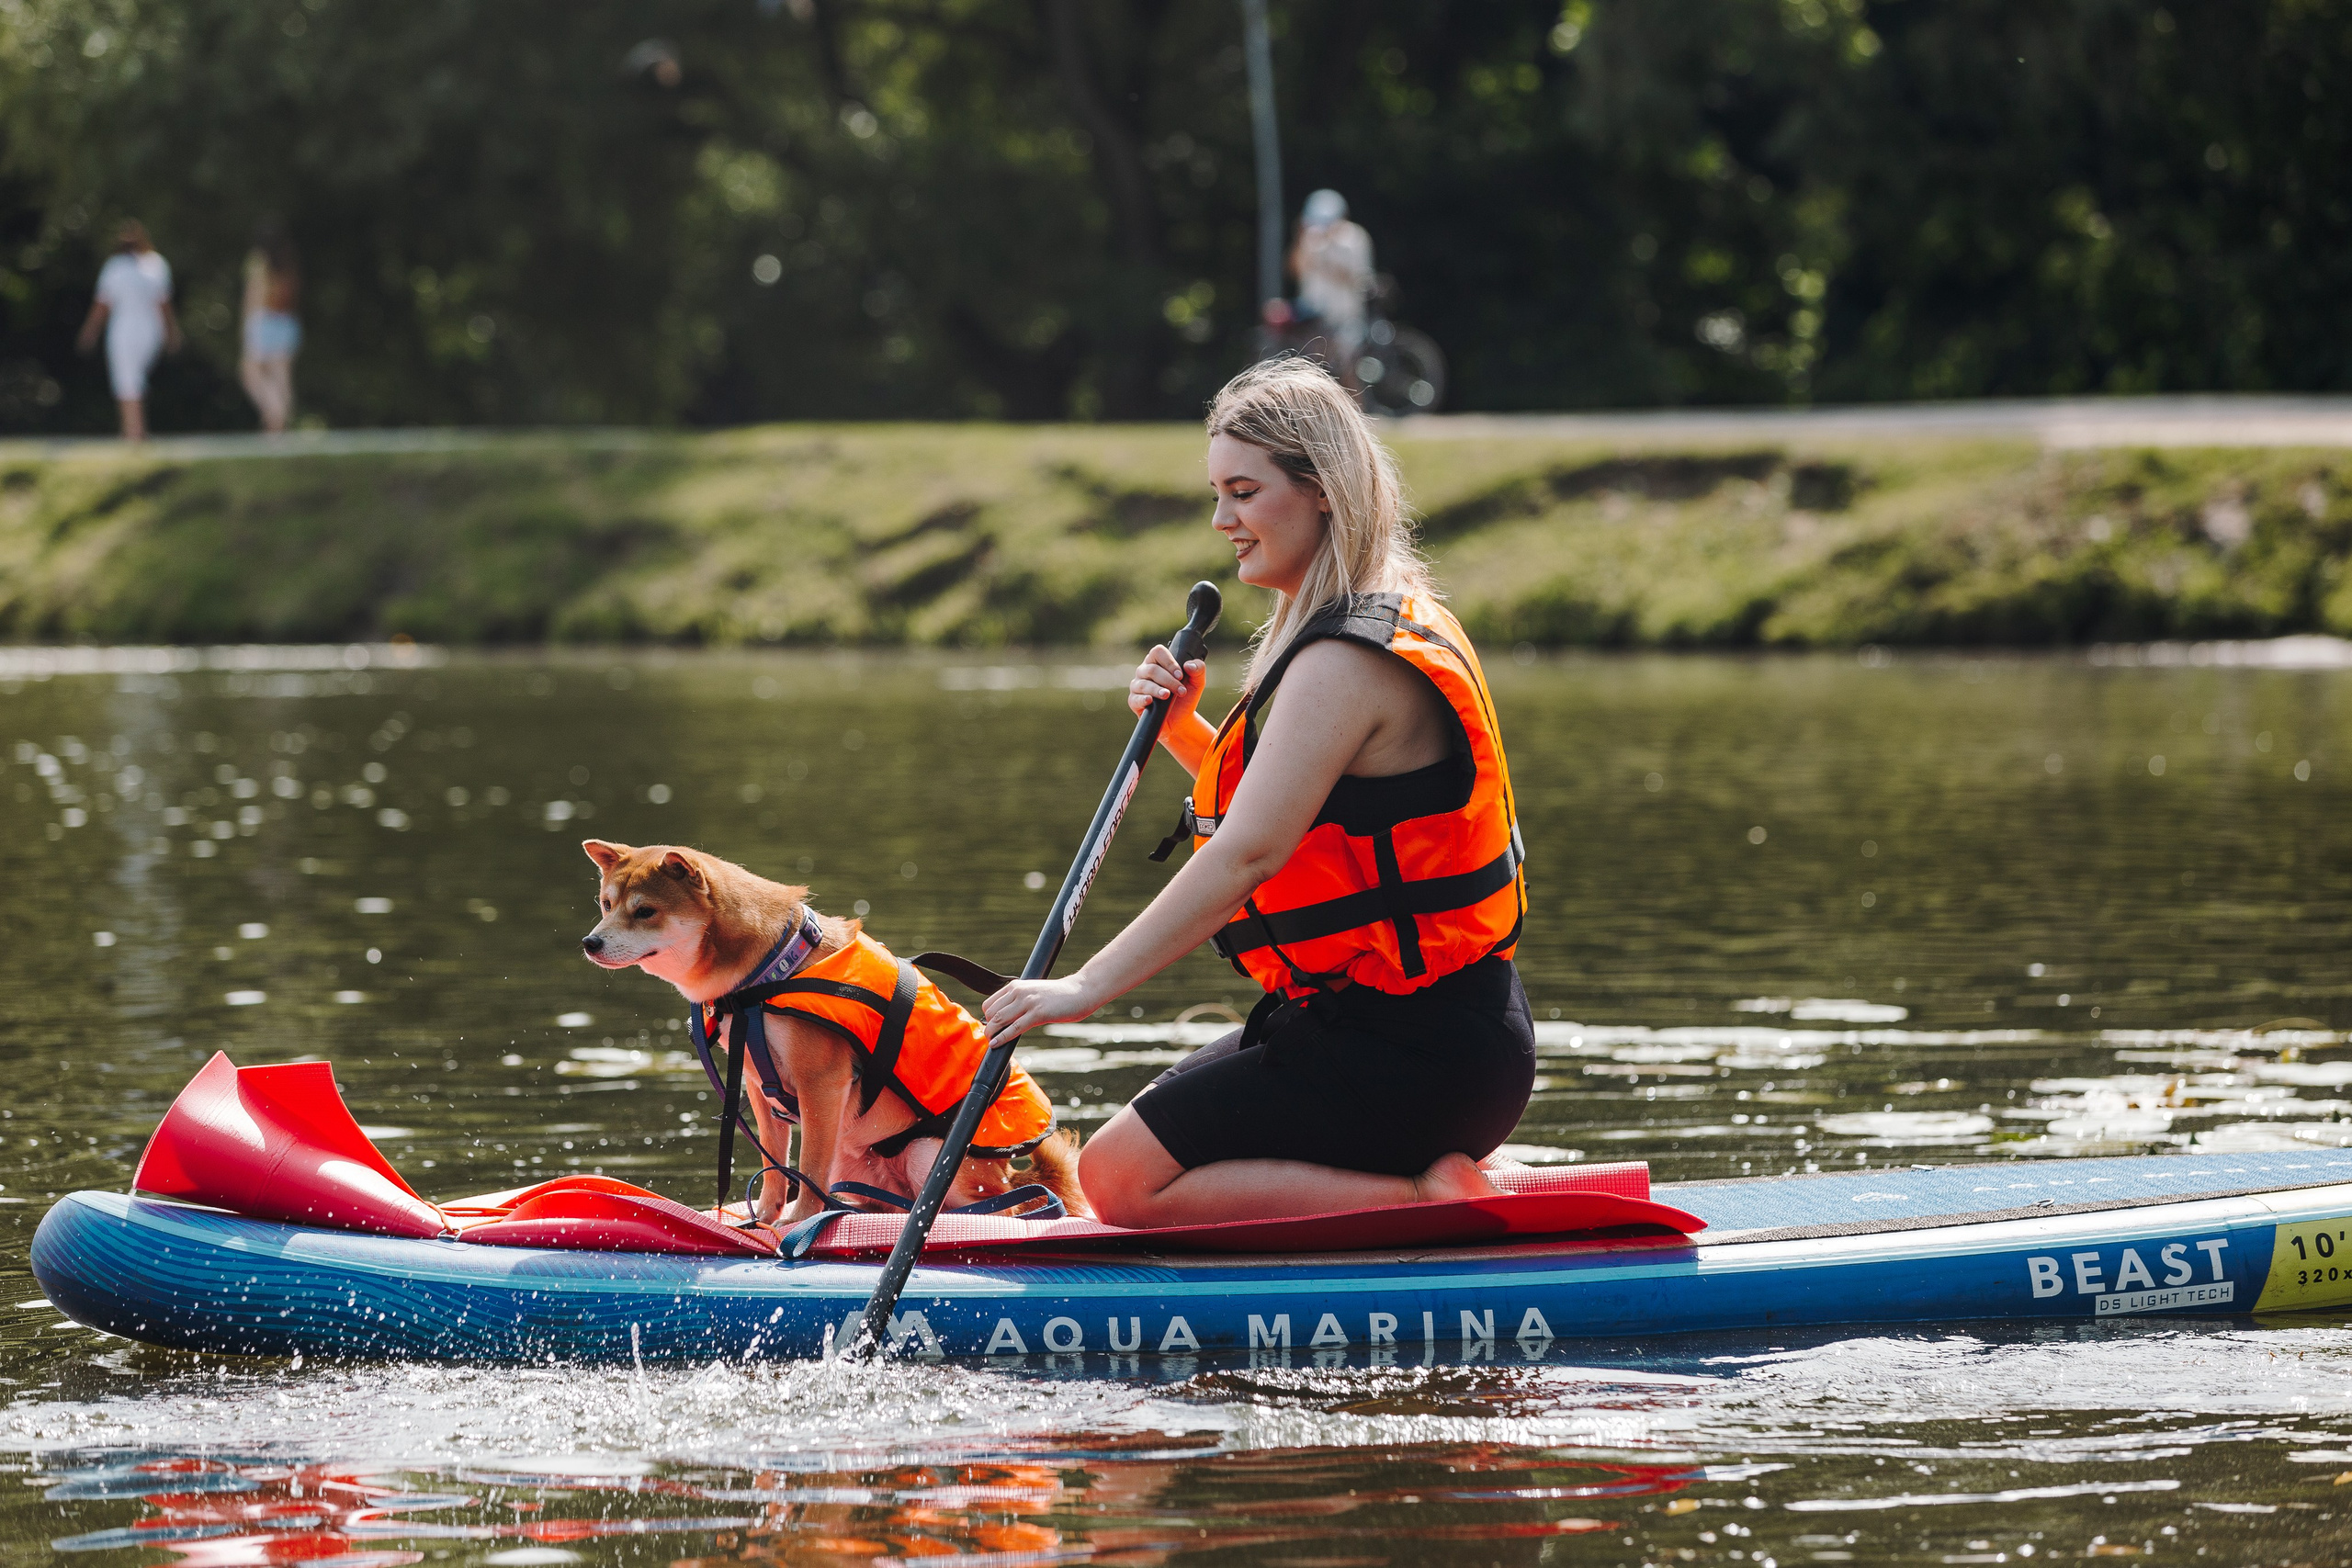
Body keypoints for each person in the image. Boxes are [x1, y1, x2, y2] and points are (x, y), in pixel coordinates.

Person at [981, 357, 1532, 1227]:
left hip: (1420, 1048)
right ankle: (1416, 1173)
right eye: (1216, 492)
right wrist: (1181, 734)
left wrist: (1083, 987)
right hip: (1394, 1026)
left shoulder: (1345, 658)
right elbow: (1308, 815)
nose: (1221, 520)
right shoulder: (1373, 616)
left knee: (1121, 1180)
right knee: (1125, 1160)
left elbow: (1252, 849)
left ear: (1322, 491)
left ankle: (1425, 1196)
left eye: (1243, 491)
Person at [75, 220, 181, 441]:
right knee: (134, 379)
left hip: (124, 328)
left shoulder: (115, 267)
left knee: (127, 380)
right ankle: (134, 431)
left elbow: (101, 307)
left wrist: (89, 332)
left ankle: (134, 434)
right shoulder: (157, 264)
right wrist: (172, 333)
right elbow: (165, 306)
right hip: (151, 330)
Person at [1264, 188, 1374, 387]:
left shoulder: (1355, 238)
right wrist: (1299, 238)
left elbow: (1357, 277)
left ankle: (1356, 411)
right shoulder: (1311, 238)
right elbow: (1294, 270)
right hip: (1313, 310)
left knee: (1347, 366)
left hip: (1344, 314)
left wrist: (1328, 256)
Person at [239, 222, 302, 434]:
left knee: (252, 377)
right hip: (287, 322)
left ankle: (274, 417)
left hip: (263, 322)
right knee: (281, 381)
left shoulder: (258, 262)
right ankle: (277, 430)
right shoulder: (288, 262)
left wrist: (247, 331)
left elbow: (253, 299)